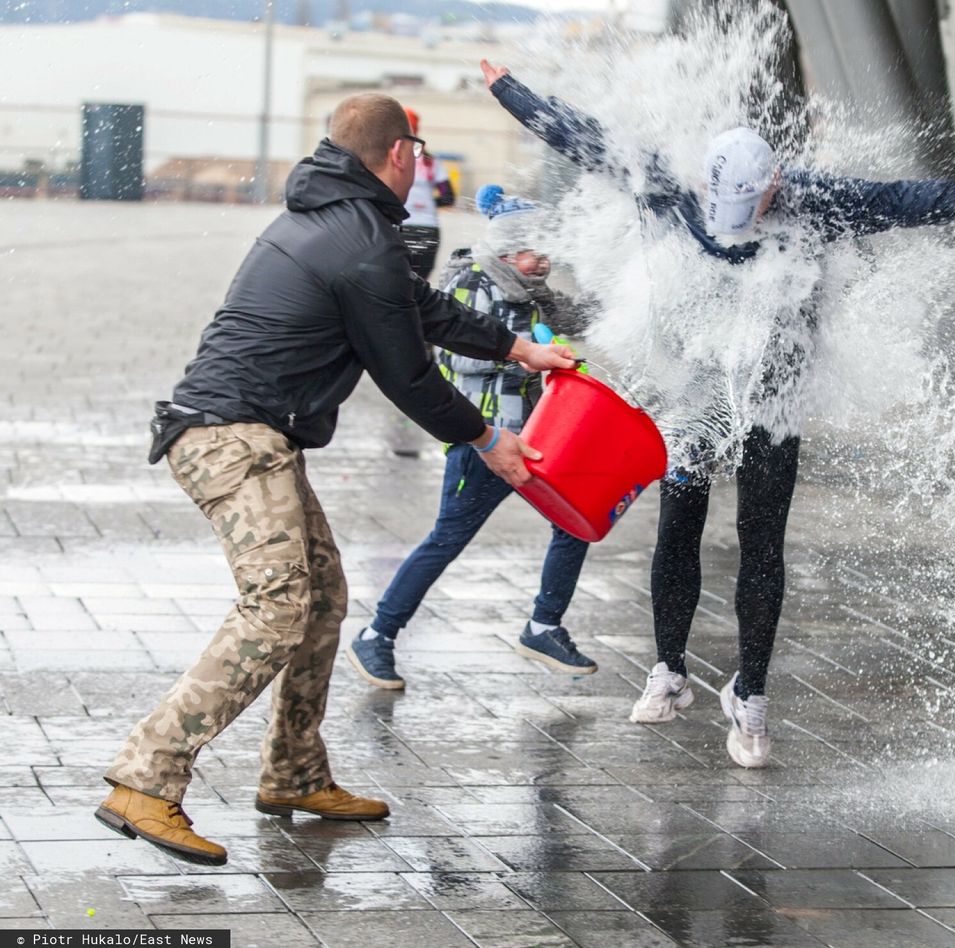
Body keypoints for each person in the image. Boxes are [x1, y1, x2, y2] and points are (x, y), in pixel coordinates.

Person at [479, 59, 955, 768]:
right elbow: (589, 141)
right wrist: (510, 91)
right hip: (694, 378)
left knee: (762, 537)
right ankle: (669, 671)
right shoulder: (671, 182)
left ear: (773, 188)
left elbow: (907, 200)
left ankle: (749, 696)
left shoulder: (812, 199)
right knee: (679, 519)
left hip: (775, 388)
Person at [94, 92, 576, 867]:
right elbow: (407, 374)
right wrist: (489, 438)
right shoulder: (359, 237)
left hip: (253, 434)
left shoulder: (343, 221)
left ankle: (294, 773)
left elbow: (417, 308)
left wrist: (521, 352)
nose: (419, 166)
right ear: (398, 155)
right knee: (280, 606)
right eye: (416, 152)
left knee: (322, 595)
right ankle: (145, 779)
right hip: (231, 437)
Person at [348, 184, 598, 689]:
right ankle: (377, 635)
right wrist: (522, 350)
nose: (542, 262)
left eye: (548, 252)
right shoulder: (471, 280)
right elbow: (453, 352)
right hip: (482, 441)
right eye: (533, 252)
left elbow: (581, 319)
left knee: (577, 523)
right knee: (448, 539)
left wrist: (616, 303)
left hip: (535, 436)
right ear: (507, 249)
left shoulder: (536, 292)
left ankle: (543, 626)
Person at [401, 106, 455, 281]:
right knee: (420, 284)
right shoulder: (431, 161)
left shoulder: (391, 158)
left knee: (398, 280)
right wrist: (427, 204)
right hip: (428, 228)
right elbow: (448, 197)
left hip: (401, 226)